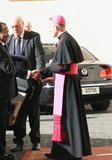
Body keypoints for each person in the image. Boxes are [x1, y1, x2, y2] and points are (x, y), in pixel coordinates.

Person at [0, 22, 39, 160]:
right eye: (5, 32)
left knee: (2, 123)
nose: (8, 34)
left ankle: (0, 151)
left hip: (2, 92)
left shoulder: (0, 45)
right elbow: (8, 67)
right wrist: (29, 73)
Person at [39, 15, 92, 159]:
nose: (49, 31)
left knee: (68, 118)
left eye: (49, 28)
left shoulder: (65, 41)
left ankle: (73, 152)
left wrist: (51, 64)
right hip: (68, 84)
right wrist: (40, 73)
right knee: (64, 118)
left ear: (56, 27)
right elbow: (59, 65)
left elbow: (62, 67)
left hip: (67, 86)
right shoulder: (65, 39)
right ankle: (60, 151)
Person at [6, 16, 45, 152]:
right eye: (12, 27)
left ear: (22, 24)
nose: (15, 29)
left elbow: (40, 56)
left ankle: (36, 141)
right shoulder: (9, 40)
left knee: (33, 112)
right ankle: (18, 142)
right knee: (19, 112)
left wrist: (39, 73)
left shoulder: (33, 37)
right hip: (16, 82)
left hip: (32, 81)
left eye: (17, 26)